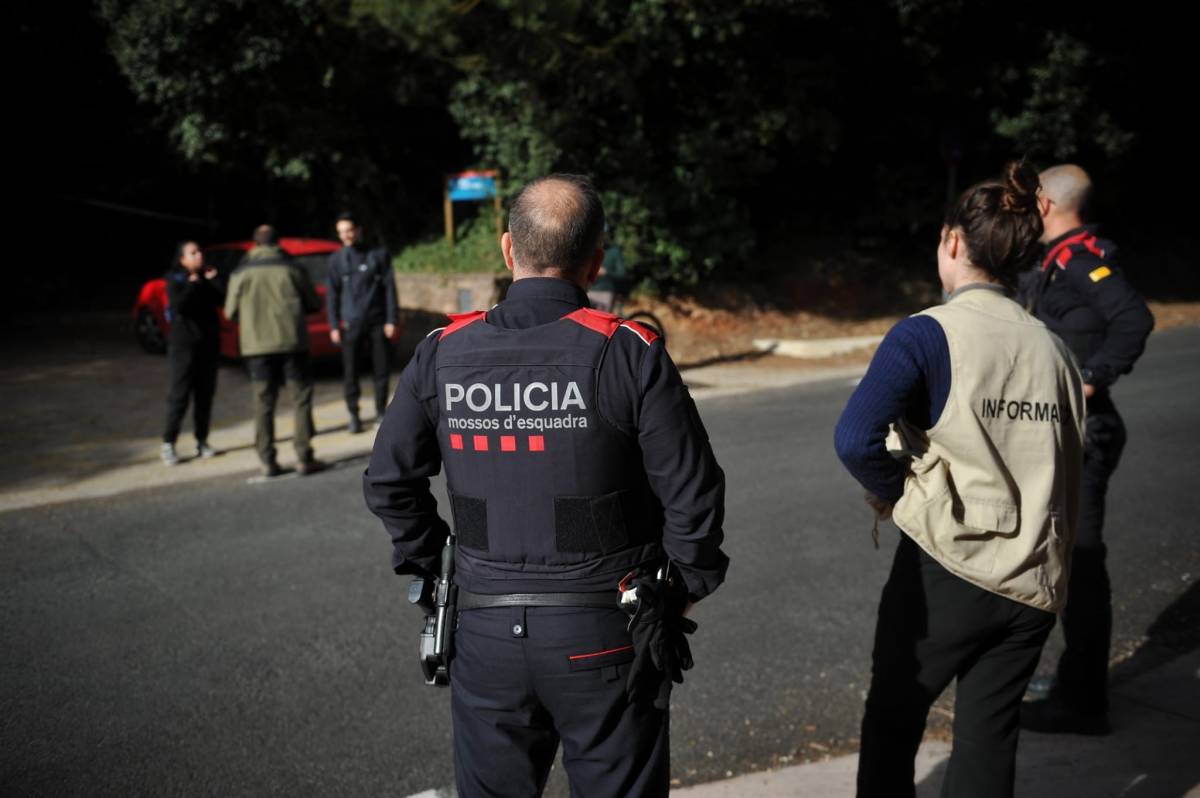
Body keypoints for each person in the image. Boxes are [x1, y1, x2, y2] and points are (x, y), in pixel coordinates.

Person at [364, 174, 728, 797]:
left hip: (484, 631)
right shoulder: (628, 351)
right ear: (597, 256)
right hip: (608, 630)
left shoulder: (442, 352)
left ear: (508, 249)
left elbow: (389, 481)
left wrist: (440, 567)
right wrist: (680, 592)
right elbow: (694, 495)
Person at [834, 161, 1086, 798]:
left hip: (947, 566)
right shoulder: (1055, 349)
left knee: (893, 720)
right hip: (1034, 580)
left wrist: (901, 497)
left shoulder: (927, 333)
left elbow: (854, 438)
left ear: (952, 241)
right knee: (989, 740)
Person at [1016, 164, 1155, 735]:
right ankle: (1076, 681)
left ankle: (1082, 702)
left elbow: (1134, 319)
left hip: (1085, 430)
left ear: (1046, 205)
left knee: (1081, 566)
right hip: (1063, 430)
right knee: (1066, 563)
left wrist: (1090, 377)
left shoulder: (1081, 259)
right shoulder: (1053, 260)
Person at [223, 225, 324, 477]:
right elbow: (314, 302)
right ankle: (303, 456)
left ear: (254, 245)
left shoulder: (241, 271)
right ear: (278, 243)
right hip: (292, 343)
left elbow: (229, 312)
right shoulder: (292, 268)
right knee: (300, 399)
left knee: (263, 402)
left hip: (256, 347)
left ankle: (267, 460)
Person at [326, 211, 398, 433]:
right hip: (350, 324)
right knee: (350, 371)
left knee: (381, 369)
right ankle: (354, 415)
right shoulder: (336, 260)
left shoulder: (378, 255)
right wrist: (333, 324)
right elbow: (333, 294)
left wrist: (391, 319)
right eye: (341, 232)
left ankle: (380, 411)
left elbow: (389, 289)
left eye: (349, 231)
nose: (346, 236)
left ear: (358, 230)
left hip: (377, 322)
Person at [161, 240, 224, 465]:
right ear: (182, 259)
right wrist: (193, 284)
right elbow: (179, 306)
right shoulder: (175, 279)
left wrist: (213, 281)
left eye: (200, 251)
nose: (199, 256)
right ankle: (169, 442)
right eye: (193, 253)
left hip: (207, 346)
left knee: (205, 395)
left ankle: (202, 440)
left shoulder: (205, 279)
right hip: (183, 347)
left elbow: (221, 300)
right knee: (179, 395)